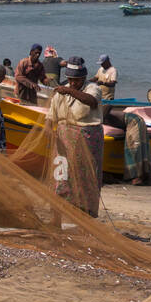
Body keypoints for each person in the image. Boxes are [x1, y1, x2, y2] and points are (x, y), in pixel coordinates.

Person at [48, 57, 104, 216]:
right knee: (61, 177)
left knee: (85, 178)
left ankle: (84, 215)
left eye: (77, 80)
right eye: (71, 80)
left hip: (87, 140)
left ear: (84, 78)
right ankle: (56, 216)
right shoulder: (61, 92)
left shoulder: (92, 88)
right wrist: (50, 134)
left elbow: (91, 102)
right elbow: (50, 118)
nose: (73, 83)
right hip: (64, 142)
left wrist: (69, 91)